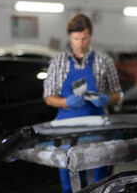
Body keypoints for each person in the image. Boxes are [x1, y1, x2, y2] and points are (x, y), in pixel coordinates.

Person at [43, 13, 121, 193]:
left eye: (84, 38)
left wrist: (107, 99)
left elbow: (117, 93)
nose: (80, 43)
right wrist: (64, 101)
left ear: (90, 36)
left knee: (99, 182)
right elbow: (48, 97)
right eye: (76, 38)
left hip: (97, 130)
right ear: (70, 37)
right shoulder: (57, 63)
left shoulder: (104, 61)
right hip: (66, 131)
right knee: (69, 177)